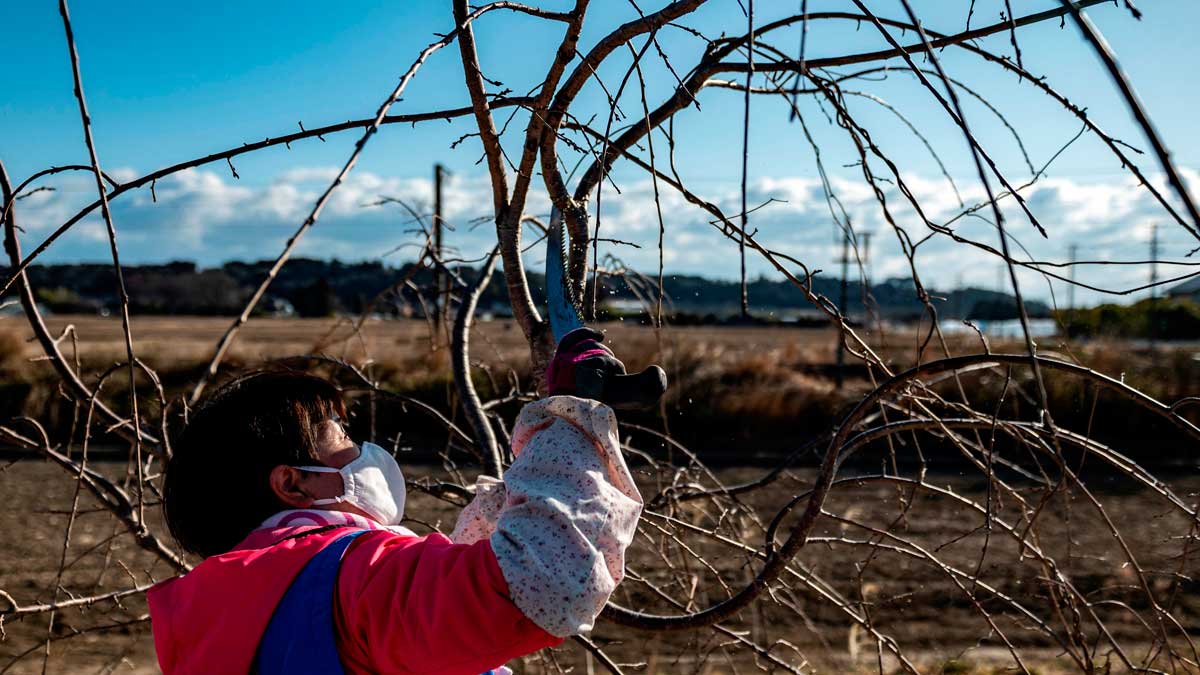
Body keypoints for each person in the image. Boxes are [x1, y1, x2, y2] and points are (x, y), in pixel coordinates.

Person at [147, 328, 644, 675]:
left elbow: (427, 620)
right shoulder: (350, 578)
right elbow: (535, 582)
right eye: (341, 435)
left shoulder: (220, 606)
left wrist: (504, 503)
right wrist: (570, 419)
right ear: (292, 483)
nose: (362, 451)